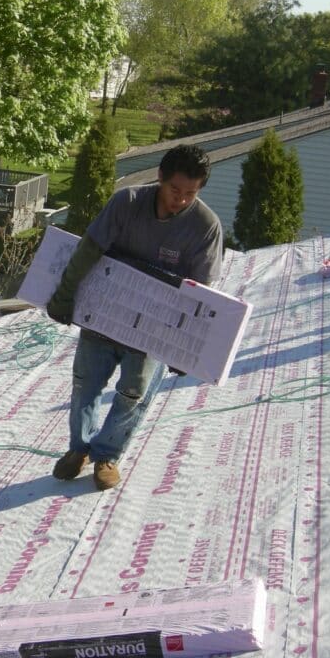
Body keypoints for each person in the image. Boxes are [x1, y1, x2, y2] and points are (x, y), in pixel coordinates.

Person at [46, 144, 223, 491]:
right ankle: (78, 449)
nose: (181, 200)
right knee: (85, 385)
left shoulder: (206, 227)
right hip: (104, 314)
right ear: (160, 177)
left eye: (191, 193)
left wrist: (183, 346)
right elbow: (88, 251)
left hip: (153, 329)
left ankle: (107, 454)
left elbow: (199, 295)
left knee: (133, 392)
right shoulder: (126, 204)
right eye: (175, 190)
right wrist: (65, 294)